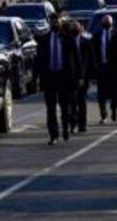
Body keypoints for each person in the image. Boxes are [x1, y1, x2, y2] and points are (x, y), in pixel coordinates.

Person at [34, 11, 81, 144]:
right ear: (49, 23)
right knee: (51, 108)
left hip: (64, 77)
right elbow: (38, 60)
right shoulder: (43, 40)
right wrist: (35, 77)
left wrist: (79, 76)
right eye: (53, 22)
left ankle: (65, 127)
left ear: (61, 22)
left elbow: (76, 58)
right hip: (49, 77)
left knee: (65, 106)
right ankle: (53, 134)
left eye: (57, 21)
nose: (55, 24)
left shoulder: (68, 38)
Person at [91, 14, 117, 123]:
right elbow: (93, 52)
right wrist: (93, 67)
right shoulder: (96, 36)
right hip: (101, 67)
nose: (106, 23)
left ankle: (114, 109)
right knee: (101, 93)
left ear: (112, 23)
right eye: (105, 22)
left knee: (115, 92)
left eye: (108, 22)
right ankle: (103, 114)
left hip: (114, 68)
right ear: (102, 23)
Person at [68, 20, 91, 133]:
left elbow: (90, 61)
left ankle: (82, 124)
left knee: (82, 102)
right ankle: (73, 123)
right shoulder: (67, 43)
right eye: (73, 29)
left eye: (76, 28)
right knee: (72, 102)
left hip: (84, 77)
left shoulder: (86, 43)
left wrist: (87, 77)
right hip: (71, 78)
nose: (75, 31)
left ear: (81, 29)